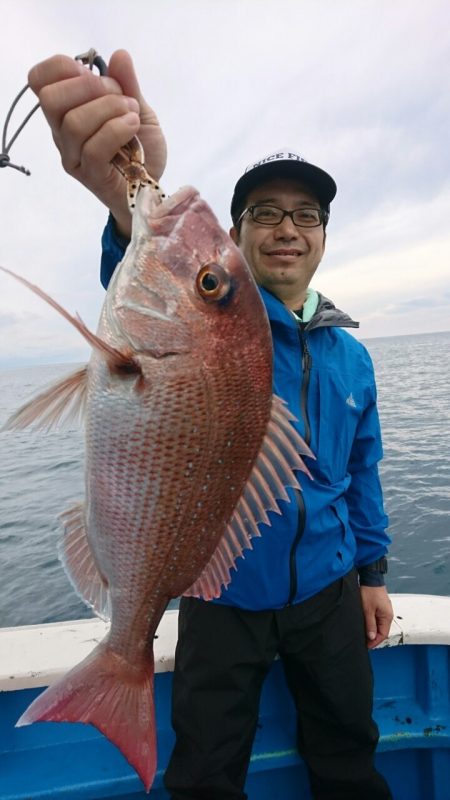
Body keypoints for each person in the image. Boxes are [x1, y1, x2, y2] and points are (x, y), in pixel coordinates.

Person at [28, 50, 394, 800]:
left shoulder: (352, 357)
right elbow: (142, 274)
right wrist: (125, 200)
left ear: (322, 235)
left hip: (329, 592)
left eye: (305, 215)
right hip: (221, 599)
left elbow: (363, 471)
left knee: (349, 752)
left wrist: (373, 575)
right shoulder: (225, 325)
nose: (286, 229)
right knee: (205, 771)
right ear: (237, 234)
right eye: (264, 213)